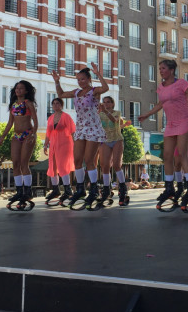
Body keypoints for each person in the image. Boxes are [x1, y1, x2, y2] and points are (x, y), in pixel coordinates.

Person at [139, 59, 188, 212]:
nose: (161, 71)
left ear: (171, 70)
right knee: (167, 156)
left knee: (182, 154)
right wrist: (147, 114)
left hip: (185, 120)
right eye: (160, 68)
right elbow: (161, 104)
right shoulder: (161, 87)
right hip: (171, 123)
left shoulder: (181, 83)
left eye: (163, 68)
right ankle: (169, 188)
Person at [52, 63, 108, 209]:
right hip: (81, 129)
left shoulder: (94, 91)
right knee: (77, 160)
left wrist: (98, 73)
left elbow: (106, 88)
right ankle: (80, 189)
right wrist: (57, 81)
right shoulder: (76, 92)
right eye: (78, 79)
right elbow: (61, 94)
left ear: (89, 79)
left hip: (93, 128)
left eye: (83, 79)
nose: (80, 82)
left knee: (89, 160)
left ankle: (94, 190)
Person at [0, 81, 38, 209]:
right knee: (15, 163)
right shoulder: (13, 105)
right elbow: (10, 123)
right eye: (16, 88)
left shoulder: (28, 103)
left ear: (26, 91)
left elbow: (35, 119)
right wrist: (2, 137)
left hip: (27, 134)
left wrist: (34, 134)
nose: (18, 90)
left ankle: (28, 191)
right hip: (16, 135)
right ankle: (19, 191)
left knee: (24, 163)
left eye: (21, 88)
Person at [44, 98, 76, 206]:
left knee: (63, 166)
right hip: (53, 144)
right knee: (52, 166)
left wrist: (76, 145)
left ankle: (68, 189)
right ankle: (55, 189)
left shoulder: (66, 116)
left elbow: (72, 131)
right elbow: (48, 133)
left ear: (61, 105)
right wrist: (45, 144)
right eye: (53, 103)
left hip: (65, 144)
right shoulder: (50, 118)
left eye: (57, 103)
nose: (55, 105)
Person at [99, 96, 130, 206]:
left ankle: (123, 189)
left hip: (117, 140)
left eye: (108, 102)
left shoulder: (117, 113)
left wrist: (105, 111)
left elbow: (114, 120)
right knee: (105, 166)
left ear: (112, 104)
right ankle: (106, 189)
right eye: (104, 102)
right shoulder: (100, 114)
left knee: (117, 165)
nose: (106, 104)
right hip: (105, 140)